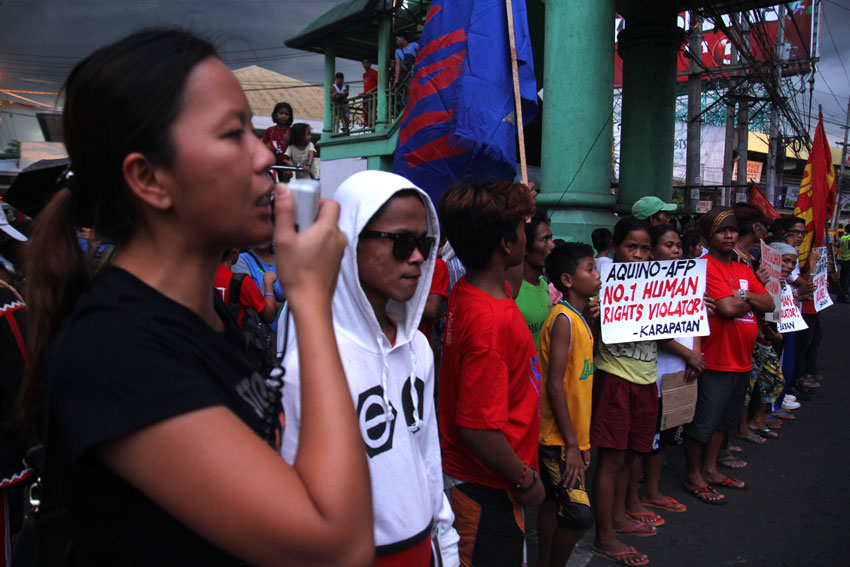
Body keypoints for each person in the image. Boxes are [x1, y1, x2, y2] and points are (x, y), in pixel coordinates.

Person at [19, 29, 372, 566]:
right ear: (150, 179)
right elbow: (337, 548)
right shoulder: (115, 350)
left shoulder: (207, 319)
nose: (262, 155)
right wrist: (311, 302)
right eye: (234, 135)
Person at [280, 171, 458, 567]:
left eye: (425, 244)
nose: (417, 257)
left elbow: (426, 455)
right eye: (401, 243)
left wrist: (445, 546)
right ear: (350, 239)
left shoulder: (419, 349)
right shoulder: (312, 359)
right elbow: (294, 492)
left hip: (422, 551)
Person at [437, 180, 543, 567]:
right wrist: (525, 479)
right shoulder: (490, 322)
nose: (526, 235)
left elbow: (508, 279)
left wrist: (518, 205)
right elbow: (477, 428)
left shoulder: (473, 289)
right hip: (485, 484)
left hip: (486, 480)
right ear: (505, 245)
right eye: (521, 228)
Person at [682, 207, 773, 505]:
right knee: (704, 421)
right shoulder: (704, 266)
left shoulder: (743, 268)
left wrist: (740, 297)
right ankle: (694, 474)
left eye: (733, 229)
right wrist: (745, 300)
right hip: (715, 358)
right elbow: (726, 309)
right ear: (709, 237)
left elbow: (770, 302)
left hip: (742, 359)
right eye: (722, 231)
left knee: (725, 421)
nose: (730, 235)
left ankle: (711, 469)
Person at [590, 217, 657, 567]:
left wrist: (693, 310)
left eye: (646, 248)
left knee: (633, 455)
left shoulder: (663, 284)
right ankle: (604, 537)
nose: (640, 255)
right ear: (616, 248)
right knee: (612, 459)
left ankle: (618, 517)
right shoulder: (601, 285)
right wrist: (594, 314)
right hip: (614, 376)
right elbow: (588, 328)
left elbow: (664, 326)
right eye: (632, 247)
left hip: (647, 377)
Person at [628, 225, 703, 524]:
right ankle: (632, 496)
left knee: (667, 434)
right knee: (646, 439)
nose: (675, 251)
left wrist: (694, 357)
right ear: (653, 251)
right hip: (653, 374)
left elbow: (697, 319)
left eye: (678, 245)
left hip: (680, 373)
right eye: (668, 245)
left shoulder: (689, 280)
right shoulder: (646, 283)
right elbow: (653, 329)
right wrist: (688, 355)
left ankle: (652, 490)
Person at [536, 243, 599, 567]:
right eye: (590, 268)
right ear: (568, 279)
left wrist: (581, 441)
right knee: (577, 515)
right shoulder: (563, 320)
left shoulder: (579, 318)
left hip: (571, 436)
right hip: (557, 440)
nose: (598, 275)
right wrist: (573, 444)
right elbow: (555, 384)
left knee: (552, 504)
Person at [515, 206, 555, 349]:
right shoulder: (512, 292)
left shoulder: (544, 286)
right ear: (525, 246)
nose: (552, 246)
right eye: (545, 239)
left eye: (551, 238)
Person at [214, 248, 277, 327]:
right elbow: (268, 315)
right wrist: (269, 283)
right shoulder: (241, 281)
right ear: (235, 251)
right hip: (233, 336)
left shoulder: (203, 277)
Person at [362, 58, 379, 127]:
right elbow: (366, 86)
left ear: (370, 64)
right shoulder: (364, 75)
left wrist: (371, 91)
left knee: (372, 111)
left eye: (366, 63)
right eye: (363, 63)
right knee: (366, 112)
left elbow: (380, 84)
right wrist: (363, 93)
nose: (365, 65)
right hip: (366, 97)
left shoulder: (374, 72)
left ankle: (372, 126)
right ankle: (368, 125)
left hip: (372, 96)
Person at [839, 224, 850, 303]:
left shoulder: (842, 237)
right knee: (846, 279)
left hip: (842, 259)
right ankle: (845, 295)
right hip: (848, 259)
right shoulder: (849, 238)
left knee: (842, 278)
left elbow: (838, 246)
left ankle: (840, 294)